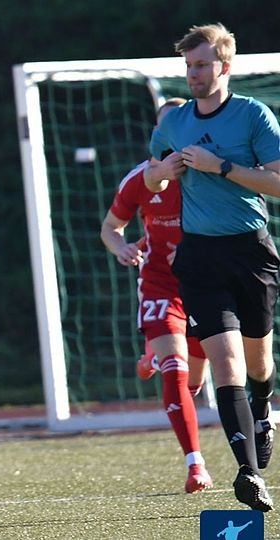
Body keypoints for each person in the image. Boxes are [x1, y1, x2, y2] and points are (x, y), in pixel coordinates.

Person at [145, 23, 280, 511]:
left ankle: (262, 409)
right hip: (199, 256)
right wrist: (163, 172)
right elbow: (153, 178)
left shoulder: (252, 116)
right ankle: (249, 472)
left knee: (259, 363)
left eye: (202, 65)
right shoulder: (174, 121)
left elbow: (278, 183)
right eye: (188, 66)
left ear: (225, 66)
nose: (193, 74)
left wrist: (218, 166)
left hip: (251, 250)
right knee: (227, 363)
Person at [101, 97, 213, 494]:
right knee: (175, 369)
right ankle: (195, 465)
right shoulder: (140, 179)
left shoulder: (210, 174)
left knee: (194, 384)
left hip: (204, 283)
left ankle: (151, 355)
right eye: (163, 129)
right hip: (160, 283)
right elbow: (110, 228)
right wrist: (122, 248)